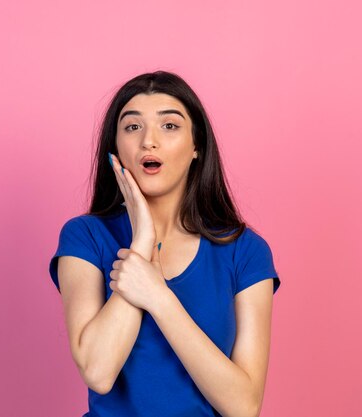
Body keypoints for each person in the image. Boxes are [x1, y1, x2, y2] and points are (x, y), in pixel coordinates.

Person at [48, 70, 281, 417]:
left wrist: (158, 297)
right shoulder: (85, 237)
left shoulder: (246, 252)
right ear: (115, 150)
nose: (148, 141)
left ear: (196, 147)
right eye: (132, 127)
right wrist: (142, 240)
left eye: (169, 126)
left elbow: (244, 406)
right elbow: (98, 371)